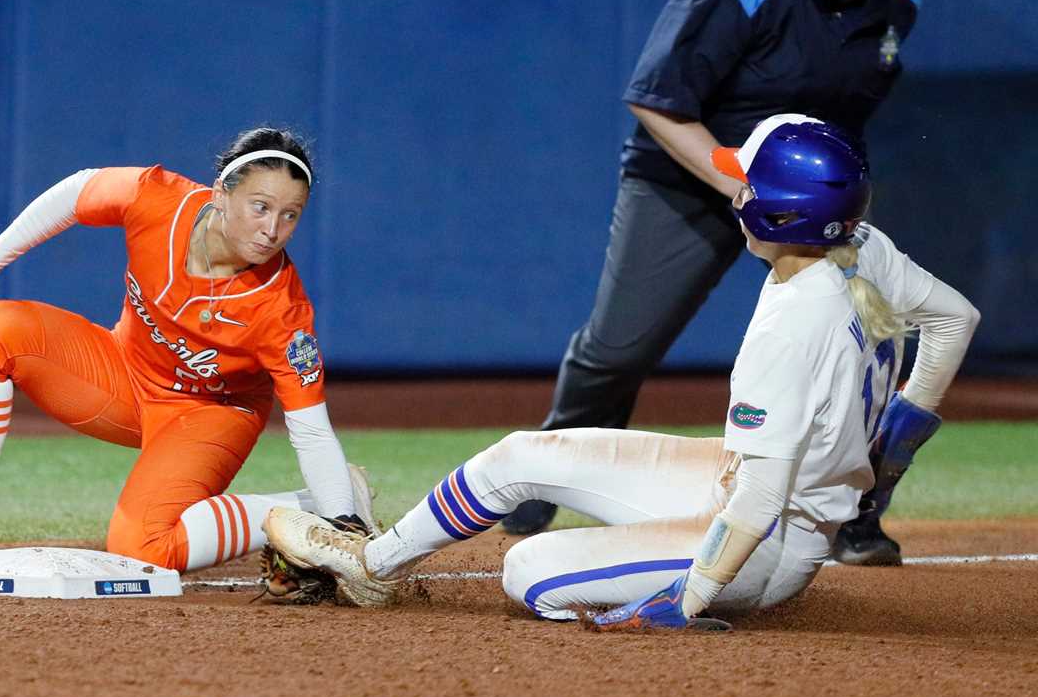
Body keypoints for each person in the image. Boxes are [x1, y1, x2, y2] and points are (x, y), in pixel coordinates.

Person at [259, 115, 979, 626]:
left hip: (766, 541)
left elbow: (758, 502)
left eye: (750, 183)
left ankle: (707, 581)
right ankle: (374, 562)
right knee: (518, 455)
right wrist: (893, 455)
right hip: (748, 485)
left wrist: (692, 596)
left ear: (782, 216)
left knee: (527, 573)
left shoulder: (794, 324)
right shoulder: (860, 246)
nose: (738, 189)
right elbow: (955, 319)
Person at [503, 0, 931, 568]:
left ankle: (853, 513)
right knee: (619, 348)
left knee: (868, 345)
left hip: (816, 199)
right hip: (690, 179)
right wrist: (742, 185)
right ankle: (544, 470)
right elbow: (658, 101)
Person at [0, 127, 375, 584]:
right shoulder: (160, 200)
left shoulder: (282, 311)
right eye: (260, 206)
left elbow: (310, 429)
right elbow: (76, 192)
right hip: (123, 373)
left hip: (208, 415)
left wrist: (343, 525)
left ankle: (311, 514)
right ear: (221, 194)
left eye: (290, 215)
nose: (273, 229)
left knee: (141, 549)